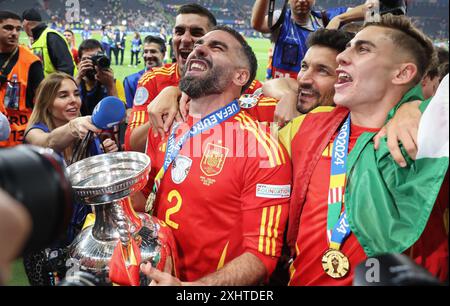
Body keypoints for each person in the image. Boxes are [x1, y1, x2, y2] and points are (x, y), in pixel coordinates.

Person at [279, 14, 448, 285]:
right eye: (348, 47)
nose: (342, 58)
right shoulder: (310, 125)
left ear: (402, 73)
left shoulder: (432, 137)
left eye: (363, 49)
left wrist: (416, 107)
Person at [140, 26, 291, 285]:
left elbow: (260, 256)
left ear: (240, 75)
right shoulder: (164, 125)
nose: (197, 48)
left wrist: (189, 289)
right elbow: (146, 200)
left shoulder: (262, 150)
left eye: (216, 47)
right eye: (199, 44)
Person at [125, 3, 275, 152]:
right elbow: (132, 145)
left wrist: (287, 93)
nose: (185, 39)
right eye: (179, 31)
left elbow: (284, 103)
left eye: (197, 33)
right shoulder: (153, 79)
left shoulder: (236, 83)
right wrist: (163, 113)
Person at [251, 0, 366, 79]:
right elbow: (257, 24)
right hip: (279, 96)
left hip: (312, 97)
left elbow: (374, 10)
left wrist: (341, 18)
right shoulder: (280, 19)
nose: (302, 0)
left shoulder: (325, 19)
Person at [262, 28, 355, 126]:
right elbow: (272, 84)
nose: (303, 80)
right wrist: (288, 95)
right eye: (304, 66)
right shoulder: (295, 96)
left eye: (322, 71)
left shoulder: (351, 133)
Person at [0, 10, 44, 148]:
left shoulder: (32, 62)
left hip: (18, 143)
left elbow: (41, 103)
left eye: (18, 29)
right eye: (8, 28)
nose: (14, 33)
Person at [75, 39, 125, 116]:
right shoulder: (73, 83)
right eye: (87, 59)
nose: (92, 63)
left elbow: (120, 116)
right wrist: (78, 77)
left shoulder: (114, 83)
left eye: (95, 58)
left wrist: (110, 86)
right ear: (79, 61)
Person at [22, 8, 76, 77]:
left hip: (58, 86)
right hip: (46, 86)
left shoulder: (51, 37)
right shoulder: (39, 38)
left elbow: (66, 69)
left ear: (25, 23)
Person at [123, 35, 166, 109]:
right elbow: (130, 112)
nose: (148, 56)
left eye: (153, 51)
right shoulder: (131, 81)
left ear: (163, 54)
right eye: (145, 52)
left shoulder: (174, 77)